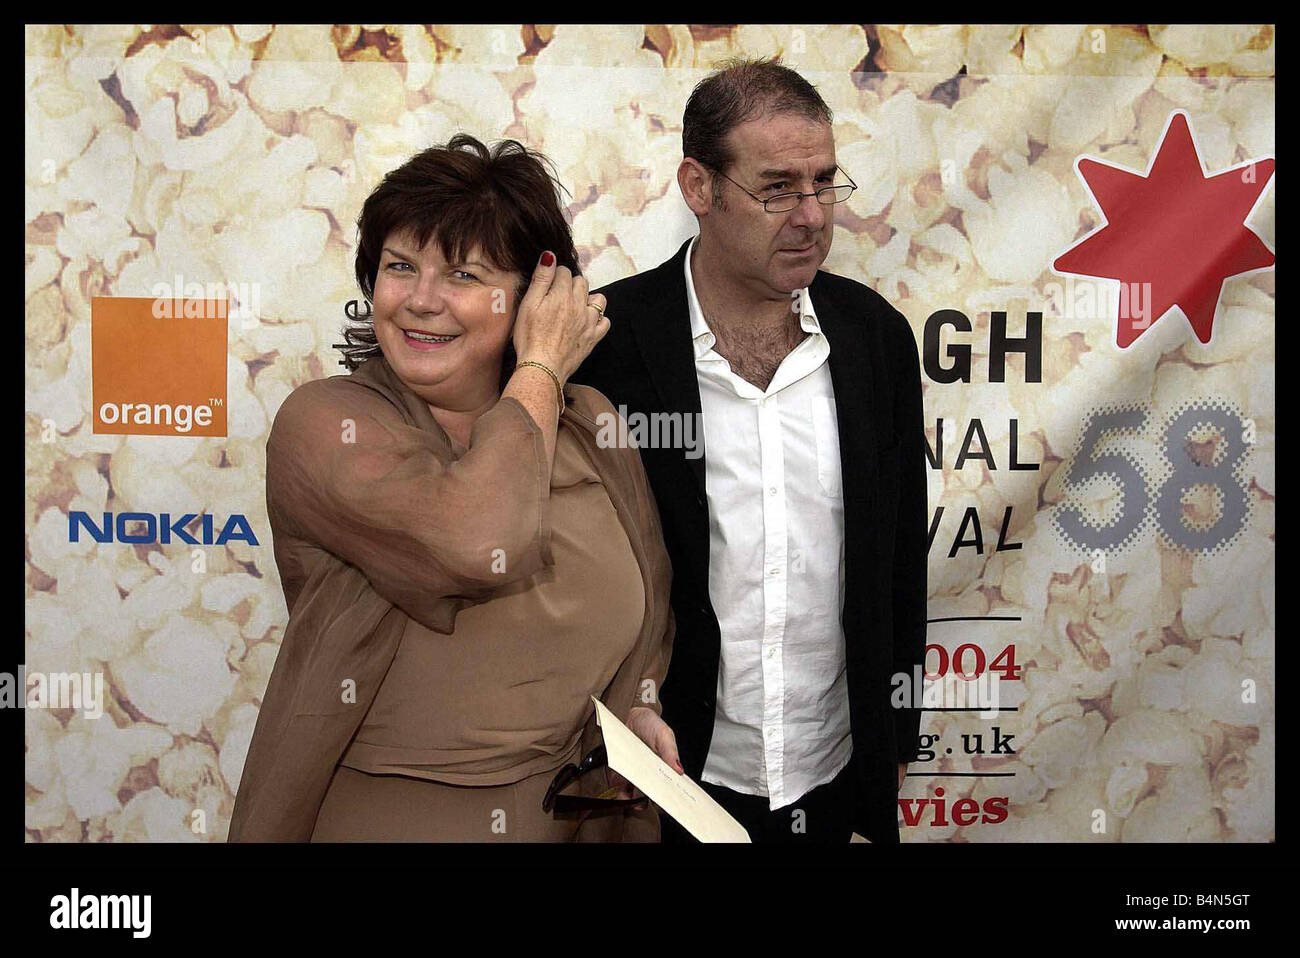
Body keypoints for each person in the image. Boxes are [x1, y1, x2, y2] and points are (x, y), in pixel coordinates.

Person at [228, 134, 679, 842]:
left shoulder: (592, 421)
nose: (420, 301)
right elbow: (479, 542)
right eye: (399, 267)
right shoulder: (327, 423)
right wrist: (538, 368)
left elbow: (649, 608)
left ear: (534, 293)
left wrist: (639, 712)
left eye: (465, 275)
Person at [574, 57, 927, 844]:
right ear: (698, 187)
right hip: (667, 781)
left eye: (825, 182)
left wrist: (894, 741)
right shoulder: (607, 344)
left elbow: (901, 559)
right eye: (777, 189)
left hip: (832, 771)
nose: (811, 215)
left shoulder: (875, 340)